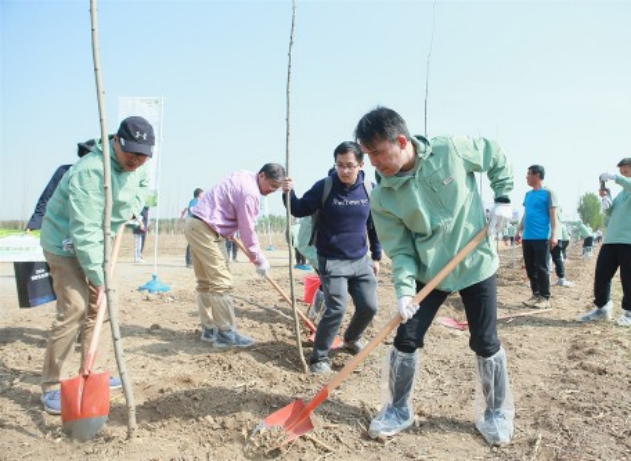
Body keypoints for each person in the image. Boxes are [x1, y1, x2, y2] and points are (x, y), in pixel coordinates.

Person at [354, 107, 515, 446]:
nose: (373, 163)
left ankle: (496, 413)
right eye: (367, 155)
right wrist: (403, 292)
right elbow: (402, 251)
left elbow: (494, 154)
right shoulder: (383, 197)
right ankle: (398, 409)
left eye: (377, 153)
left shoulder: (450, 150)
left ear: (401, 141)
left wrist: (503, 197)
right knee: (405, 337)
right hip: (428, 272)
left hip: (475, 262)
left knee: (485, 342)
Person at [38, 116, 154, 415]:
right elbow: (85, 231)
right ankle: (52, 384)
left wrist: (126, 210)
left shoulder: (138, 165)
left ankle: (90, 372)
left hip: (100, 241)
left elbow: (142, 186)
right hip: (66, 243)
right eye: (131, 154)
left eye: (143, 156)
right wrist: (100, 278)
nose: (136, 161)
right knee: (75, 308)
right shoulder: (91, 172)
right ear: (116, 141)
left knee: (101, 309)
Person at [281, 141, 382, 374]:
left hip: (360, 259)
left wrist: (376, 256)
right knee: (337, 307)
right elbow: (298, 209)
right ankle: (319, 357)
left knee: (369, 306)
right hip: (332, 260)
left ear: (361, 164)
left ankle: (351, 338)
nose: (345, 171)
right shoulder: (324, 187)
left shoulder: (369, 188)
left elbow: (373, 226)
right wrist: (288, 193)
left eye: (350, 165)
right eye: (339, 165)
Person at [184, 164, 285, 348]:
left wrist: (228, 227)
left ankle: (209, 329)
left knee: (206, 282)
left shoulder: (244, 175)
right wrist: (258, 258)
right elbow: (247, 230)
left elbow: (226, 203)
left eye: (276, 188)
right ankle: (225, 335)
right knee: (222, 282)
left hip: (195, 224)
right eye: (270, 185)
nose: (271, 191)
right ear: (262, 175)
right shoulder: (250, 194)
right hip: (206, 229)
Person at [578, 158, 631, 326]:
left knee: (627, 276)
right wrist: (607, 202)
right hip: (612, 238)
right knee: (602, 274)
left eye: (626, 173)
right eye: (621, 174)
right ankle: (602, 308)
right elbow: (611, 215)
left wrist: (616, 178)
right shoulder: (623, 194)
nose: (623, 177)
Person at [25, 140, 96, 232]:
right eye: (87, 154)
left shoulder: (104, 178)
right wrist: (34, 224)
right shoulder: (65, 171)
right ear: (84, 154)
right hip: (61, 226)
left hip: (90, 228)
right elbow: (47, 197)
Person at [516, 165, 559, 309]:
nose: (526, 177)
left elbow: (553, 216)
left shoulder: (548, 193)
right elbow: (526, 214)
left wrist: (554, 235)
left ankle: (545, 297)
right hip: (528, 237)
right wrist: (519, 230)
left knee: (541, 267)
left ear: (537, 175)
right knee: (530, 267)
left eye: (529, 174)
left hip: (541, 237)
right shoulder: (528, 195)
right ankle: (535, 294)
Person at [551, 207, 574, 287]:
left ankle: (560, 278)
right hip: (558, 236)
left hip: (551, 236)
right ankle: (561, 278)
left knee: (553, 258)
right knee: (557, 258)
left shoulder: (552, 209)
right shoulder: (558, 213)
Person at [180, 188, 203, 267]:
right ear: (199, 194)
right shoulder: (194, 201)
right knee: (192, 242)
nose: (203, 195)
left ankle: (194, 261)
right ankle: (189, 262)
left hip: (196, 223)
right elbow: (191, 209)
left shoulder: (198, 201)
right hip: (192, 223)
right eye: (202, 194)